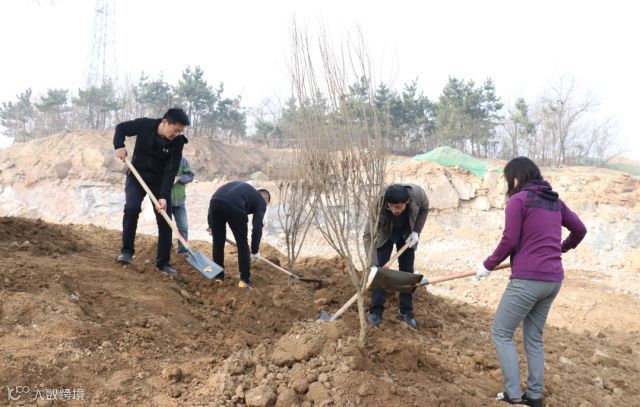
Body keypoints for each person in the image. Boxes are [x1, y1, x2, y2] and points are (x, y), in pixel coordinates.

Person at [475, 157, 586, 407]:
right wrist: (560, 248)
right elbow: (580, 230)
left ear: (516, 177)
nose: (508, 184)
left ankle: (513, 395)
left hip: (528, 280)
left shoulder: (519, 201)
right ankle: (534, 397)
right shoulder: (555, 202)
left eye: (508, 179)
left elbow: (509, 240)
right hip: (553, 280)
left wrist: (487, 265)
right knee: (534, 337)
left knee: (501, 332)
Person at [114, 108, 190, 275]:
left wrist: (163, 196)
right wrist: (119, 145)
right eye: (175, 130)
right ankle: (126, 251)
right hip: (136, 176)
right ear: (165, 122)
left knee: (165, 218)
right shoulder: (145, 125)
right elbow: (121, 128)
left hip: (159, 182)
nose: (177, 134)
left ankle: (163, 262)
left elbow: (170, 170)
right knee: (132, 208)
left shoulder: (177, 143)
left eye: (180, 131)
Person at [364, 183, 429, 329]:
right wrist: (373, 264)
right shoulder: (379, 203)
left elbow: (425, 209)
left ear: (407, 202)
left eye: (398, 207)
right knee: (379, 272)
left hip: (407, 234)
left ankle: (406, 312)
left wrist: (416, 231)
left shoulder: (418, 194)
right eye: (391, 206)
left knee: (407, 271)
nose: (394, 210)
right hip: (385, 233)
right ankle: (376, 312)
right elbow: (367, 235)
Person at [207, 181, 271, 288]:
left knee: (218, 242)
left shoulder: (245, 190)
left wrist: (211, 225)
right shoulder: (261, 201)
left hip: (215, 202)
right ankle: (244, 280)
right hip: (235, 206)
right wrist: (255, 250)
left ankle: (218, 277)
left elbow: (217, 199)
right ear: (266, 200)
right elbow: (257, 227)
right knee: (242, 245)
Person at [171, 156, 195, 254]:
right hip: (165, 201)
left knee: (183, 227)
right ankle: (166, 249)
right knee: (165, 228)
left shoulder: (182, 160)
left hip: (180, 201)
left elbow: (190, 175)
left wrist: (179, 178)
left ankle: (182, 252)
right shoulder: (161, 157)